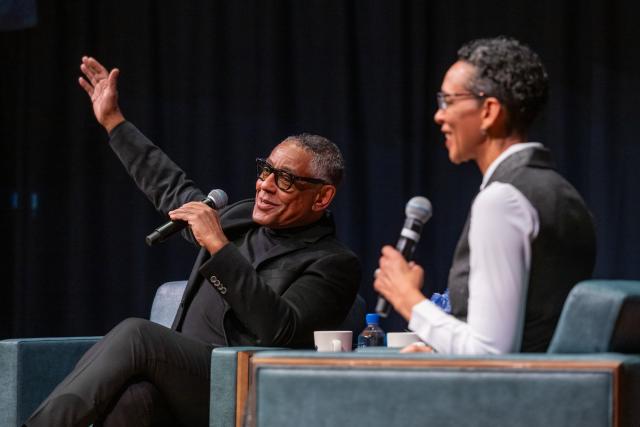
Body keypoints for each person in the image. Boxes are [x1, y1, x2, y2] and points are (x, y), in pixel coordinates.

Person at [24, 57, 360, 426]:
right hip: (185, 384)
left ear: (322, 197)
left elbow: (281, 331)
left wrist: (219, 247)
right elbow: (171, 188)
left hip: (244, 387)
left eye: (284, 179)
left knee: (138, 334)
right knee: (132, 402)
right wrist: (114, 123)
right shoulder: (241, 219)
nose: (264, 184)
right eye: (265, 170)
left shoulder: (333, 263)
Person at [374, 37, 596, 355]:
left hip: (506, 400)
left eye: (447, 101)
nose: (439, 116)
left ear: (489, 111)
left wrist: (408, 298)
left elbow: (491, 354)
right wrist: (442, 351)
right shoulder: (565, 194)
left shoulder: (502, 200)